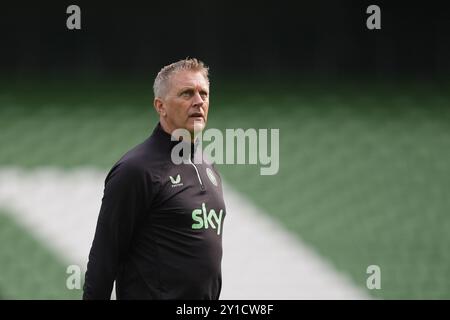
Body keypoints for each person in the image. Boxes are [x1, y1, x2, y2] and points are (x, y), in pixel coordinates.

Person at [83, 58, 226, 300]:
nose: (199, 101)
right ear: (161, 106)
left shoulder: (207, 165)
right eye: (187, 93)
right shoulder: (136, 170)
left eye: (204, 94)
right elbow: (104, 259)